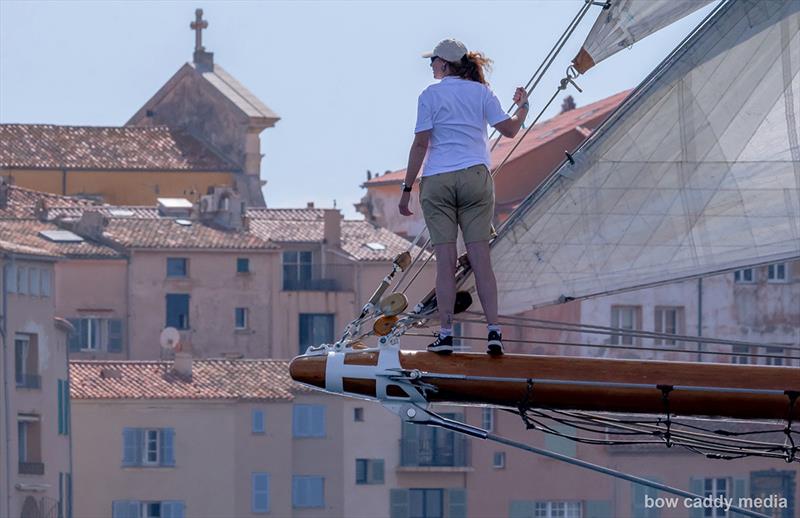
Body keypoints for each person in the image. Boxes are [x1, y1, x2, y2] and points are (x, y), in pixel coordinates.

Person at [398, 38, 529, 356]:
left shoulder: (430, 95)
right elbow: (510, 130)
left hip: (438, 180)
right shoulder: (482, 92)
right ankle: (494, 333)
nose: (430, 66)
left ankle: (445, 335)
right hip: (475, 178)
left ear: (444, 64)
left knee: (444, 262)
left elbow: (420, 145)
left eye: (433, 61)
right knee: (481, 260)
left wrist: (406, 191)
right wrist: (523, 106)